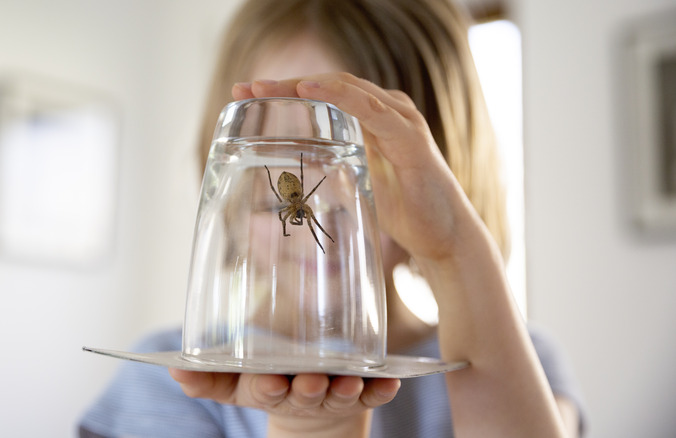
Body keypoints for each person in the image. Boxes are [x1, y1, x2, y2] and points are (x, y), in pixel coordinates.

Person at [79, 0, 585, 436]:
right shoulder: (162, 383)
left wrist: (456, 250)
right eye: (274, 171)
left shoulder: (518, 360)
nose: (326, 217)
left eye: (364, 171)